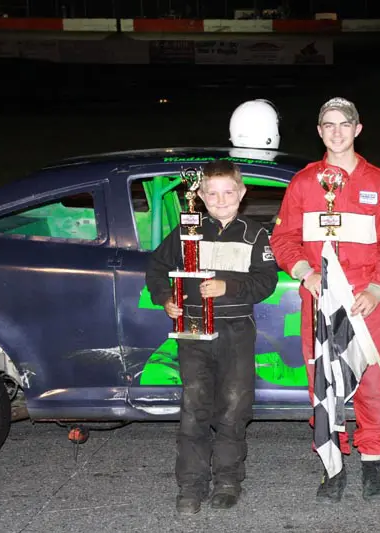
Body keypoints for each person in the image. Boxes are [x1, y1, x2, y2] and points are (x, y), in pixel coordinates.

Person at [269, 97, 380, 502]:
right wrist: (304, 273)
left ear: (358, 129)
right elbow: (283, 239)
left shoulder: (379, 183)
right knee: (325, 385)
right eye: (329, 124)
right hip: (320, 302)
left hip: (366, 302)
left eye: (345, 124)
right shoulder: (305, 183)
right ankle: (333, 465)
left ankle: (373, 463)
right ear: (319, 131)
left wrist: (378, 288)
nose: (337, 131)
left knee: (371, 385)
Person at [145, 159, 278, 514]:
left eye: (229, 192)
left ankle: (228, 480)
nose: (221, 200)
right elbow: (157, 268)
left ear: (242, 193)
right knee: (194, 408)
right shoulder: (187, 230)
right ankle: (191, 485)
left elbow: (267, 281)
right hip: (193, 333)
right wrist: (167, 298)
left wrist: (227, 286)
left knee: (234, 408)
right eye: (213, 193)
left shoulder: (255, 234)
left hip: (235, 332)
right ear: (200, 196)